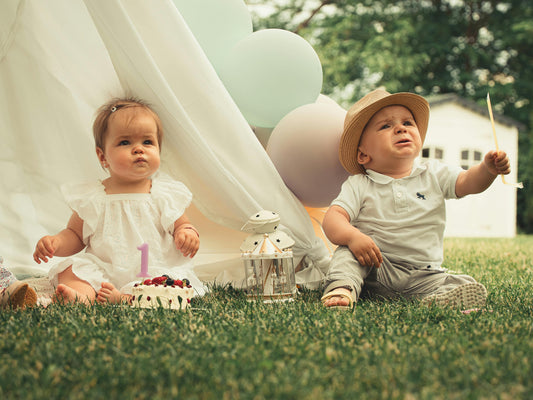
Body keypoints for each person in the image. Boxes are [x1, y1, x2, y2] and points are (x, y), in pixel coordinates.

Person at [321, 89, 511, 310]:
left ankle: (435, 300)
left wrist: (487, 169)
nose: (401, 128)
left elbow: (468, 181)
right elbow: (333, 218)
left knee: (462, 282)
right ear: (363, 154)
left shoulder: (434, 173)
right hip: (374, 267)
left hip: (424, 274)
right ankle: (342, 289)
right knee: (347, 254)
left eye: (408, 123)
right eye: (385, 126)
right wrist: (353, 237)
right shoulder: (361, 184)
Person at [33, 97, 204, 305]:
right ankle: (81, 296)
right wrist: (56, 243)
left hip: (151, 268)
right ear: (102, 156)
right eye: (125, 142)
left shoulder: (163, 194)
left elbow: (182, 224)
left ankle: (124, 298)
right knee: (72, 270)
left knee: (167, 286)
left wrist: (186, 233)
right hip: (104, 268)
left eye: (147, 142)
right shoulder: (94, 197)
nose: (139, 149)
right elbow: (76, 235)